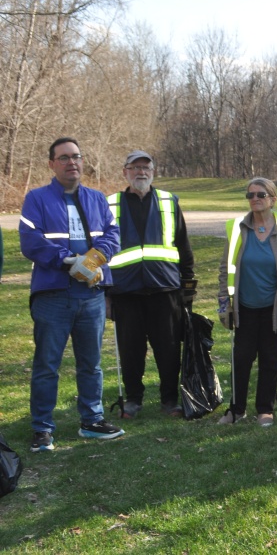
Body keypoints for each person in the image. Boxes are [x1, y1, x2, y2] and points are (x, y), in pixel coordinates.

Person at [20, 137, 125, 452]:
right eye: (64, 157)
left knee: (91, 363)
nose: (72, 162)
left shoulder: (96, 199)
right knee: (47, 365)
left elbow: (113, 234)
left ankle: (92, 420)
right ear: (51, 164)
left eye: (76, 156)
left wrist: (91, 262)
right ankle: (42, 429)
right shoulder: (37, 199)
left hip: (91, 297)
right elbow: (31, 241)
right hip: (52, 297)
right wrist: (69, 261)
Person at [106, 150, 196, 418]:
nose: (141, 172)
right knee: (130, 350)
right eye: (135, 168)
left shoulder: (169, 201)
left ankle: (169, 400)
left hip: (165, 289)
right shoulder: (109, 204)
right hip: (126, 290)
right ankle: (133, 399)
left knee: (168, 349)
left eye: (146, 167)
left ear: (153, 172)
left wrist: (187, 287)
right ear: (125, 172)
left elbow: (183, 244)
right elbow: (101, 249)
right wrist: (106, 293)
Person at [217, 178, 277, 427]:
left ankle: (265, 409)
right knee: (241, 359)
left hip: (274, 309)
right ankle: (237, 409)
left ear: (273, 199)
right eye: (250, 195)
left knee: (270, 359)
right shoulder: (237, 228)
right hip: (244, 308)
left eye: (261, 194)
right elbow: (224, 268)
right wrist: (223, 302)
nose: (255, 199)